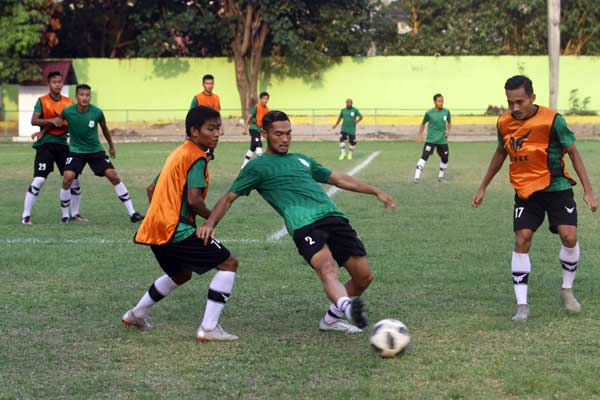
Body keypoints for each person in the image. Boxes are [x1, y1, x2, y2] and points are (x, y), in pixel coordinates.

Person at [198, 110, 397, 333]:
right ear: (264, 133)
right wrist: (209, 223)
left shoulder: (302, 159)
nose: (285, 139)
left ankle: (331, 320)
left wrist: (375, 190)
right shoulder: (257, 166)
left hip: (334, 218)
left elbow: (337, 178)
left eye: (289, 133)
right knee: (327, 267)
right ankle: (347, 307)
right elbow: (228, 197)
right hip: (304, 224)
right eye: (278, 134)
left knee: (363, 277)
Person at [472, 75, 598, 321]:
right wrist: (482, 187)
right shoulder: (504, 123)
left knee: (569, 236)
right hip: (526, 191)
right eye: (510, 103)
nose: (515, 108)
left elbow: (572, 151)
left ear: (532, 98)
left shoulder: (552, 120)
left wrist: (588, 190)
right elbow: (501, 153)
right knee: (522, 238)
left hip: (557, 186)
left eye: (520, 102)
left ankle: (567, 289)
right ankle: (522, 305)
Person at [122, 106, 239, 342]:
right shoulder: (196, 156)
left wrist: (160, 212)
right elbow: (194, 200)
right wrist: (211, 217)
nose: (217, 134)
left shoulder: (178, 153)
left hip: (154, 228)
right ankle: (208, 328)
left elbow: (152, 189)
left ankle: (136, 314)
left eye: (218, 128)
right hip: (175, 228)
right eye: (211, 129)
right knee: (228, 263)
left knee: (181, 273)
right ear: (194, 131)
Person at [59, 84, 144, 223]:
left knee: (113, 176)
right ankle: (65, 216)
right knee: (67, 178)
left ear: (90, 96)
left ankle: (133, 213)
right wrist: (42, 132)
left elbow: (105, 129)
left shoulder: (97, 112)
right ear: (76, 97)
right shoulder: (68, 111)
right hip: (76, 151)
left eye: (87, 95)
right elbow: (56, 122)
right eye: (82, 95)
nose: (85, 98)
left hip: (95, 150)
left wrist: (111, 146)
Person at [21, 71, 87, 224]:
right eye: (54, 82)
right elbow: (34, 120)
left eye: (60, 81)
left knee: (74, 180)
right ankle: (25, 216)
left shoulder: (68, 102)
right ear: (48, 84)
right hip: (46, 145)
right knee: (39, 180)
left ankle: (74, 214)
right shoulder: (42, 101)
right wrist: (48, 124)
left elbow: (70, 122)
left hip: (64, 146)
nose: (57, 84)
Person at [413, 94, 452, 183]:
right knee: (424, 156)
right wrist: (420, 135)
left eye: (442, 101)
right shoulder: (429, 113)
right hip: (431, 140)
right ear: (434, 102)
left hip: (442, 140)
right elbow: (423, 124)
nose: (441, 103)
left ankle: (440, 177)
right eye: (439, 101)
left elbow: (449, 123)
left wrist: (448, 130)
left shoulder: (446, 112)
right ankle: (416, 177)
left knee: (445, 158)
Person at [190, 74, 221, 160]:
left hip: (211, 131)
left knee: (209, 156)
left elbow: (217, 114)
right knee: (199, 154)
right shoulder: (197, 98)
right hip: (200, 131)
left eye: (211, 83)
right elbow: (191, 114)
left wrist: (220, 127)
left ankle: (203, 171)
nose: (209, 86)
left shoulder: (216, 98)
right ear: (203, 84)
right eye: (207, 83)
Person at [241, 91, 270, 168]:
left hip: (259, 129)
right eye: (264, 98)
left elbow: (265, 122)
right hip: (253, 128)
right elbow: (249, 117)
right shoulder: (256, 107)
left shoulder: (267, 110)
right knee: (259, 143)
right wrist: (245, 128)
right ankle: (261, 164)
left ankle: (244, 165)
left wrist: (265, 131)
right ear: (261, 99)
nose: (265, 100)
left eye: (267, 99)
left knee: (253, 147)